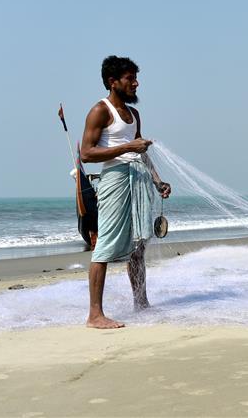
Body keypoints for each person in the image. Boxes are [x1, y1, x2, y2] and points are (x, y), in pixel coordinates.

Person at [80, 56, 171, 329]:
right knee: (105, 244)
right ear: (112, 82)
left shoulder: (134, 115)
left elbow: (140, 151)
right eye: (129, 78)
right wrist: (126, 148)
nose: (135, 83)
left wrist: (157, 180)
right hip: (115, 181)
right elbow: (86, 153)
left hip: (139, 179)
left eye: (135, 78)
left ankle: (141, 303)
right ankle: (95, 315)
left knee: (138, 247)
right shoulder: (100, 110)